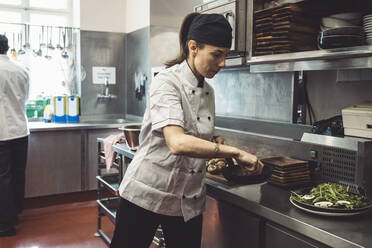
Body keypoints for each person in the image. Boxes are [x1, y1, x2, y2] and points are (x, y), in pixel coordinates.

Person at [110, 13, 264, 248]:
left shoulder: (209, 90)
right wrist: (233, 152)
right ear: (193, 47)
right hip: (147, 193)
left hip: (188, 199)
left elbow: (193, 129)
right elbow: (177, 142)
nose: (222, 63)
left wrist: (213, 138)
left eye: (226, 55)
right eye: (217, 54)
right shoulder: (166, 82)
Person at [0, 34, 30, 237]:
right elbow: (25, 99)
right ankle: (15, 214)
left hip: (2, 132)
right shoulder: (21, 70)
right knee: (18, 174)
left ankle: (5, 225)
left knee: (3, 178)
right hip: (21, 130)